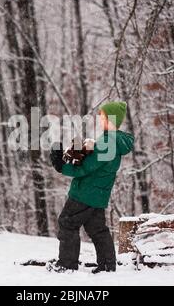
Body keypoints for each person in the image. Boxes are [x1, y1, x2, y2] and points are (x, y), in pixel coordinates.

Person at [49, 101, 135, 273]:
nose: (100, 119)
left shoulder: (108, 141)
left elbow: (85, 168)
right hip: (97, 194)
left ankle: (66, 265)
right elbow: (94, 163)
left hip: (85, 193)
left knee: (67, 223)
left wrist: (61, 165)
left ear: (111, 119)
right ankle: (107, 265)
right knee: (97, 229)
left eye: (103, 116)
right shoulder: (114, 141)